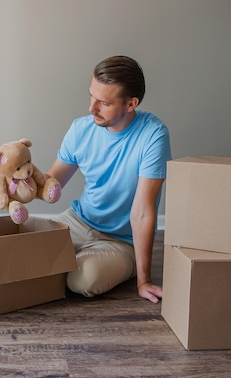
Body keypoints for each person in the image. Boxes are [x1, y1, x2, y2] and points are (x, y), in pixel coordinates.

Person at [46, 55, 171, 304]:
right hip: (78, 221)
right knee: (22, 249)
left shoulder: (153, 135)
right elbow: (52, 183)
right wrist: (20, 183)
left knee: (82, 280)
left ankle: (120, 266)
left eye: (103, 102)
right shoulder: (80, 129)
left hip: (121, 241)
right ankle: (62, 260)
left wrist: (144, 281)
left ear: (131, 104)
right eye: (92, 96)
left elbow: (143, 212)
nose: (92, 108)